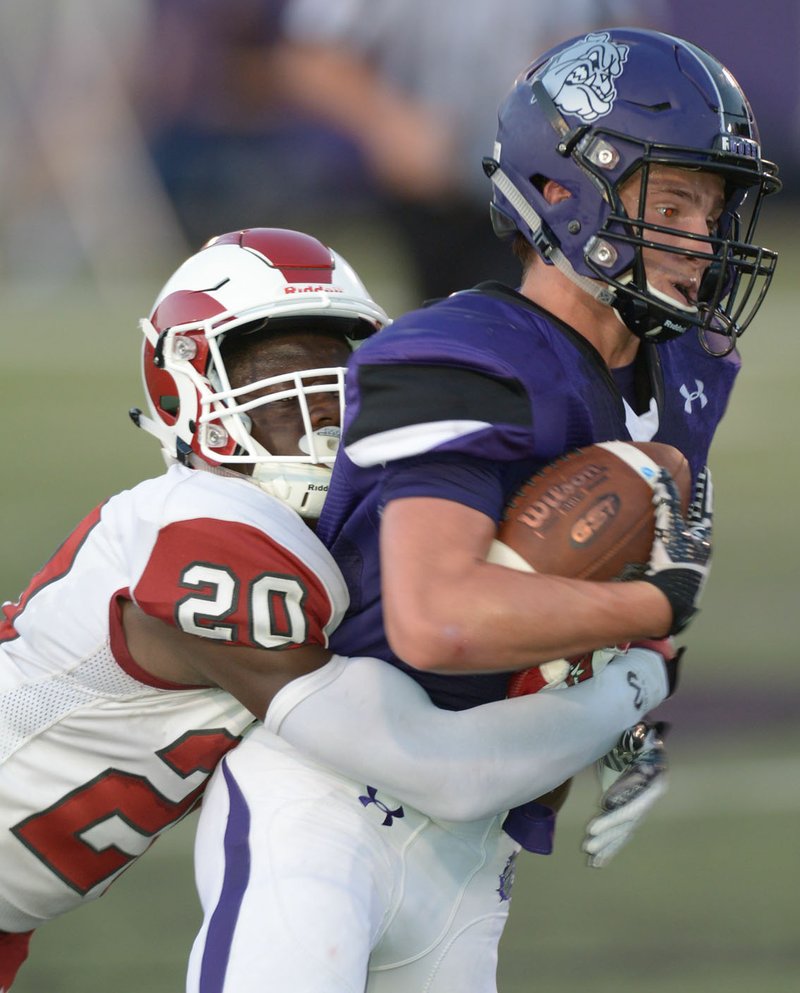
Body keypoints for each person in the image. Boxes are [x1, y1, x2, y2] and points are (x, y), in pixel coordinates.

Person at [187, 27, 781, 993]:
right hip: (332, 802)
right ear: (561, 191)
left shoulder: (692, 373)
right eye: (671, 204)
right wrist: (649, 614)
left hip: (473, 839)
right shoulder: (460, 353)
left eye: (713, 211)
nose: (702, 243)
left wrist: (619, 696)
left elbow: (596, 593)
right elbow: (440, 617)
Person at [0, 226, 673, 990]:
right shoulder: (199, 530)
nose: (319, 400)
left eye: (338, 367)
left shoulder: (334, 540)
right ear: (185, 388)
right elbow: (446, 767)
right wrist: (640, 671)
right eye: (276, 368)